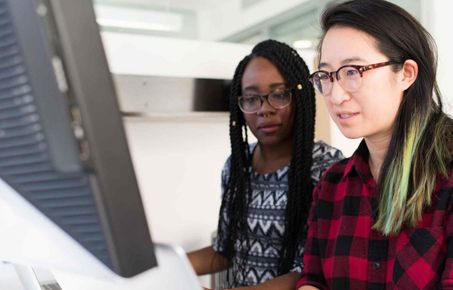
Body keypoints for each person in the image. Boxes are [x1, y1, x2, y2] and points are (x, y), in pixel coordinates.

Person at [296, 1, 453, 289]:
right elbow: (313, 278)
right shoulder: (332, 184)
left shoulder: (446, 175)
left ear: (406, 73)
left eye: (352, 71)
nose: (335, 95)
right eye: (327, 76)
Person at [187, 39, 343, 290]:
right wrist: (167, 266)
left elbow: (310, 271)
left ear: (300, 96)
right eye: (251, 98)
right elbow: (226, 250)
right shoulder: (237, 167)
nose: (264, 109)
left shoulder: (328, 169)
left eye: (279, 94)